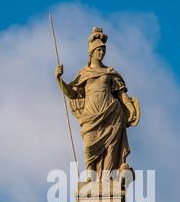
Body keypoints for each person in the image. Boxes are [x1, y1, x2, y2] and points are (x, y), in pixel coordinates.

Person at [55, 27, 140, 180]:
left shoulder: (109, 72)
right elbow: (72, 94)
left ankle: (107, 178)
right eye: (99, 50)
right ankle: (90, 174)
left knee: (110, 149)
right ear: (92, 52)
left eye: (103, 50)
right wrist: (59, 80)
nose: (102, 53)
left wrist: (130, 108)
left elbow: (121, 94)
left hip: (112, 112)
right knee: (89, 146)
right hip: (91, 115)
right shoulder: (83, 73)